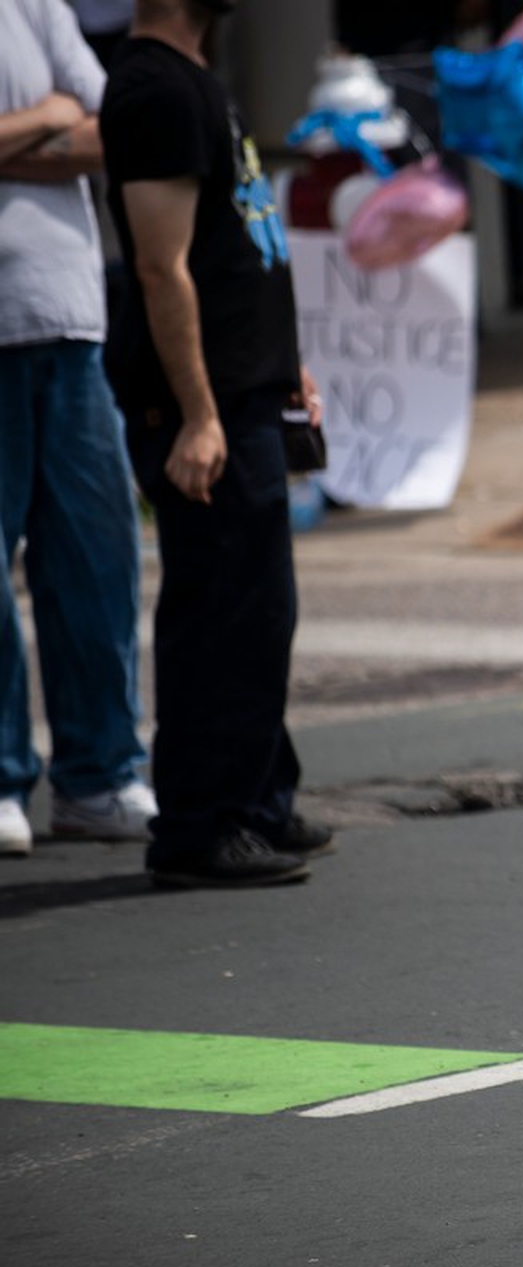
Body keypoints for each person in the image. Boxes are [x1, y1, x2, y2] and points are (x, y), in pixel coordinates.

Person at [100, 0, 332, 887]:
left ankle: (259, 798)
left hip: (247, 389)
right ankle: (202, 825)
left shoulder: (195, 78)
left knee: (259, 608)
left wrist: (288, 367)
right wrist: (196, 414)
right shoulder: (154, 87)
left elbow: (245, 245)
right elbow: (162, 266)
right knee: (221, 610)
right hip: (207, 406)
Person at [0, 0, 156, 858]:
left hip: (69, 317)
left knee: (97, 557)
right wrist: (50, 117)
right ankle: (2, 776)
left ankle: (99, 776)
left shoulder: (36, 4)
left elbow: (119, 133)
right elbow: (82, 122)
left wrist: (14, 141)